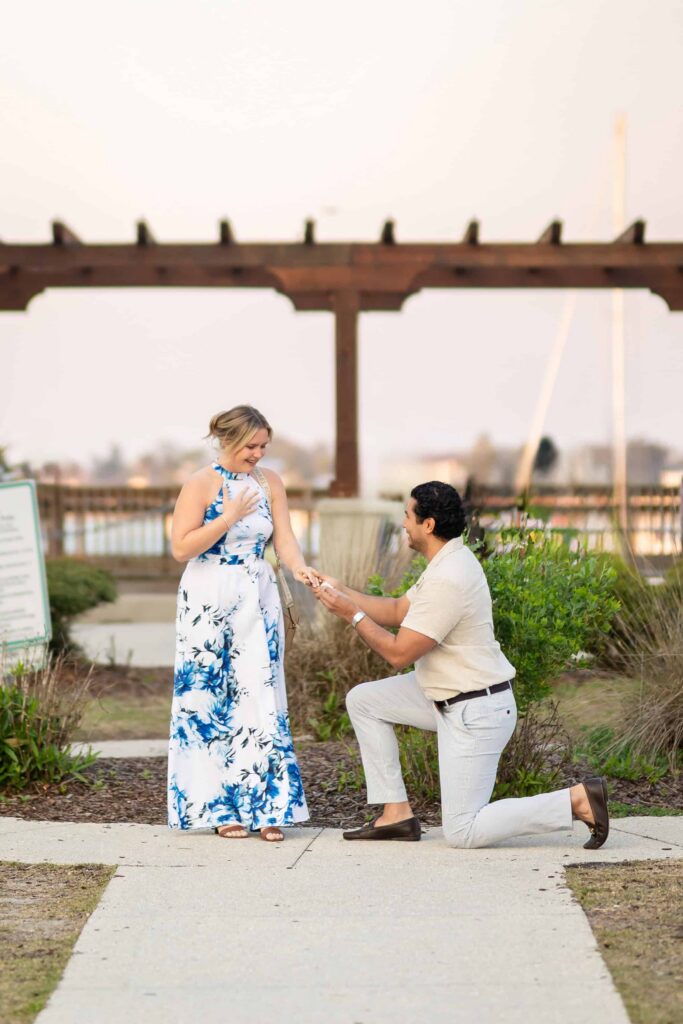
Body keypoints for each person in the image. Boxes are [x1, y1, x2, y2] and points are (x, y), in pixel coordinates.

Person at [313, 481, 609, 848]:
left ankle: (576, 800)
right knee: (365, 700)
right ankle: (396, 815)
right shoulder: (447, 560)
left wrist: (351, 614)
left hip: (475, 710)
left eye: (407, 515)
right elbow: (395, 610)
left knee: (463, 831)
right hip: (443, 695)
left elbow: (399, 653)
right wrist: (341, 592)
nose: (403, 523)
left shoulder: (451, 577)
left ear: (428, 525)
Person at [167, 405, 318, 842]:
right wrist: (227, 517)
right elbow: (181, 548)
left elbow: (284, 538)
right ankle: (219, 808)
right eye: (251, 445)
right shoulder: (199, 483)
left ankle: (268, 807)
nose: (258, 453)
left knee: (261, 693)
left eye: (263, 446)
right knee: (210, 699)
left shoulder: (271, 483)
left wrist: (300, 569)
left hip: (257, 591)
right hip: (208, 594)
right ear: (226, 440)